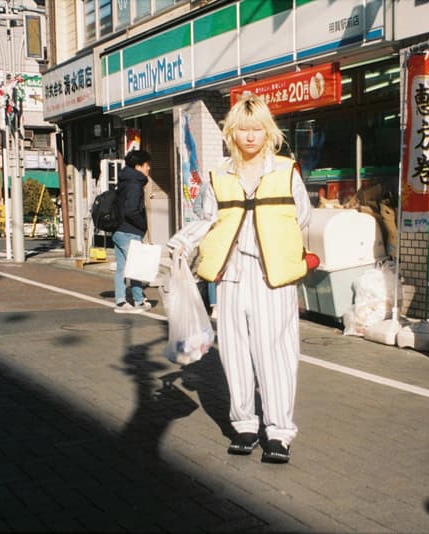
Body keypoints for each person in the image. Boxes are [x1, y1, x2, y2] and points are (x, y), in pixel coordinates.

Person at [168, 94, 312, 463]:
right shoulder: (219, 175)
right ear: (231, 132)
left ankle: (279, 432)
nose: (250, 137)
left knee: (275, 353)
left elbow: (302, 218)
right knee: (233, 353)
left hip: (272, 277)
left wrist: (278, 247)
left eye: (257, 129)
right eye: (243, 129)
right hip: (230, 274)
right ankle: (244, 423)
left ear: (269, 132)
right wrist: (182, 244)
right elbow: (204, 218)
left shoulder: (286, 170)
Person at [114, 149, 153, 314]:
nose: (149, 168)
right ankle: (138, 301)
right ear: (138, 166)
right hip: (130, 231)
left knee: (122, 268)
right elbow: (131, 211)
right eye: (147, 165)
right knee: (136, 266)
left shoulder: (124, 181)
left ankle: (121, 301)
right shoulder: (135, 184)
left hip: (118, 230)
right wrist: (143, 225)